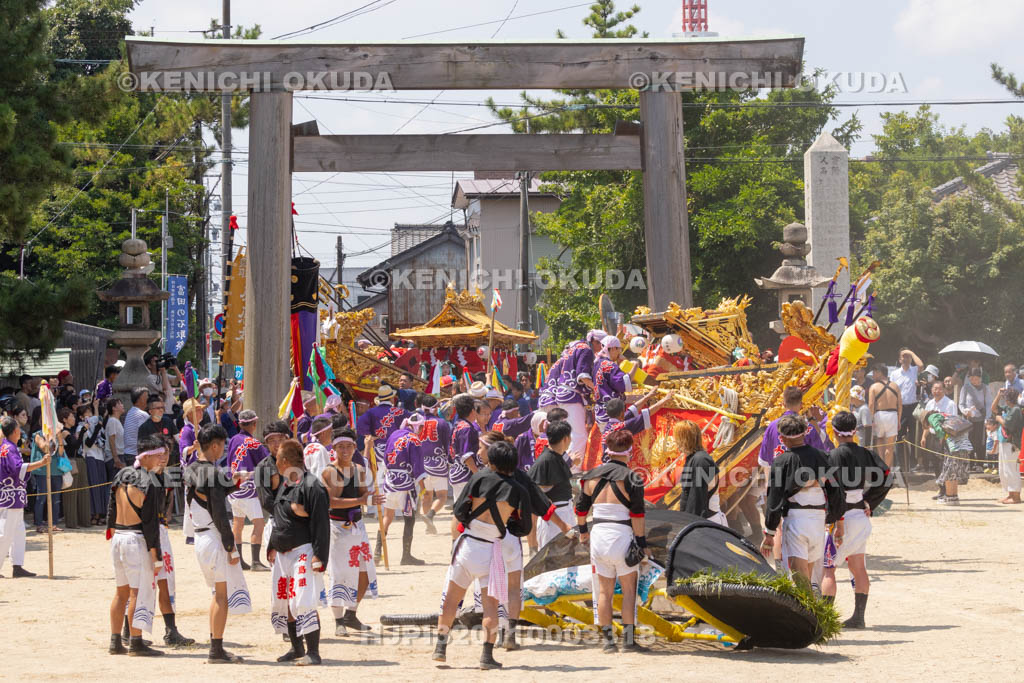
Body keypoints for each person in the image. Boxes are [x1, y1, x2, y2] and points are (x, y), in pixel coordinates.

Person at [432, 440, 529, 669]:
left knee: (451, 601)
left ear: (492, 461)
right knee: (490, 607)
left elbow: (458, 510)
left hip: (467, 546)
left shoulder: (478, 478)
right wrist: (507, 527)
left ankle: (440, 647)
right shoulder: (518, 490)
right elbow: (523, 528)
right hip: (490, 550)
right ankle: (486, 656)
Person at [574, 429, 651, 653]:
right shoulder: (633, 478)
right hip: (622, 536)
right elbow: (637, 516)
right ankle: (628, 641)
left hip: (598, 535)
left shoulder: (590, 476)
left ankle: (608, 642)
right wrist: (642, 544)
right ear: (630, 450)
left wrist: (582, 532)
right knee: (628, 590)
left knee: (604, 592)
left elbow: (580, 509)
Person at [820, 411, 893, 628]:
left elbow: (835, 491)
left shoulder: (833, 456)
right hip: (860, 515)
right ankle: (859, 617)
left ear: (834, 431)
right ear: (855, 430)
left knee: (829, 568)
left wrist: (838, 519)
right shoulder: (865, 453)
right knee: (858, 566)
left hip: (843, 518)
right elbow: (887, 476)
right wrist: (870, 501)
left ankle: (824, 619)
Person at [184, 424, 250, 663]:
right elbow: (220, 514)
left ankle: (216, 645)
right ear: (214, 445)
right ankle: (216, 650)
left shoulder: (191, 469)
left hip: (201, 537)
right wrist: (231, 547)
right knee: (222, 596)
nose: (223, 450)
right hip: (213, 536)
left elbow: (210, 494)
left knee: (216, 594)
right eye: (222, 445)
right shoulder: (211, 473)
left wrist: (233, 484)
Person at [123, 436, 196, 648]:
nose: (164, 458)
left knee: (166, 581)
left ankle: (170, 629)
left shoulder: (166, 476)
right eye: (160, 454)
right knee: (138, 584)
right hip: (145, 532)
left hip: (161, 529)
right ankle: (129, 630)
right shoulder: (139, 476)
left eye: (166, 454)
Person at [761, 414, 844, 593]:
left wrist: (769, 531)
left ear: (782, 438)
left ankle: (809, 613)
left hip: (796, 518)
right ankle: (813, 611)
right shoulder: (823, 456)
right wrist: (835, 518)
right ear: (805, 433)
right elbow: (836, 489)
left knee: (799, 575)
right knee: (808, 571)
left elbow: (774, 497)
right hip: (819, 519)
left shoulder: (781, 461)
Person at [268, 439, 330, 666]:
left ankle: (313, 652)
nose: (276, 463)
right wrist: (272, 545)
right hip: (283, 553)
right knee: (285, 601)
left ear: (284, 461)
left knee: (303, 601)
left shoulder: (312, 485)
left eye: (277, 460)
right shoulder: (286, 484)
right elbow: (279, 517)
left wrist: (319, 556)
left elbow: (322, 524)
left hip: (304, 551)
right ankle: (296, 648)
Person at [106, 440, 165, 656]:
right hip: (136, 539)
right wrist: (156, 556)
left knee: (121, 593)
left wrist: (110, 531)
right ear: (146, 456)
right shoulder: (150, 481)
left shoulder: (121, 474)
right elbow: (151, 524)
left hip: (119, 536)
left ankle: (115, 641)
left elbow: (111, 508)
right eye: (158, 455)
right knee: (135, 593)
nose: (162, 459)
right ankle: (136, 641)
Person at [322, 426, 379, 635]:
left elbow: (364, 495)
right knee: (339, 574)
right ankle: (338, 621)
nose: (345, 450)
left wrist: (372, 498)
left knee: (365, 572)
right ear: (334, 448)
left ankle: (351, 614)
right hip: (337, 528)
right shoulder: (329, 471)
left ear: (355, 447)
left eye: (348, 446)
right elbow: (332, 502)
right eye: (340, 447)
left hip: (358, 527)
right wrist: (361, 500)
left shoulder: (359, 469)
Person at [538, 331, 603, 463]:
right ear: (596, 342)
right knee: (578, 435)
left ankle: (563, 465)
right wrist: (597, 390)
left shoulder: (573, 349)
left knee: (565, 434)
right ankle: (573, 468)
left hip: (559, 396)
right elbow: (583, 376)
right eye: (602, 345)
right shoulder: (586, 350)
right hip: (570, 396)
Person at [0, 415, 52, 577]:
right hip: (10, 495)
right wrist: (40, 463)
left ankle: (17, 565)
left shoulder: (8, 447)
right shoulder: (8, 448)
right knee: (6, 533)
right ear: (15, 431)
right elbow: (16, 469)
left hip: (14, 494)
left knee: (18, 532)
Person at [223, 409, 271, 571]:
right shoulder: (254, 443)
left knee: (238, 523)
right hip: (248, 490)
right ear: (254, 424)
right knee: (259, 524)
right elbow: (267, 462)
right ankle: (256, 561)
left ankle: (241, 560)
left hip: (233, 488)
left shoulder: (233, 440)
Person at [528, 420, 576, 548]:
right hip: (555, 518)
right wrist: (560, 523)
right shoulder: (545, 460)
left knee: (567, 557)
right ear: (566, 439)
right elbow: (536, 494)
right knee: (552, 562)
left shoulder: (557, 456)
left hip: (565, 512)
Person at [922, 380, 970, 505]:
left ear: (943, 390)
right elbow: (926, 423)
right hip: (932, 435)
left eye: (939, 389)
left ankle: (947, 491)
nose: (936, 391)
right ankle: (941, 489)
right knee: (936, 463)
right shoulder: (929, 403)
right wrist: (924, 436)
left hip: (945, 437)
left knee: (946, 464)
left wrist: (943, 438)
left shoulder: (950, 403)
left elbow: (952, 422)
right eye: (934, 388)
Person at [674, 420, 727, 525]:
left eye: (677, 439)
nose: (675, 443)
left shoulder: (701, 460)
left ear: (684, 440)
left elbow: (697, 498)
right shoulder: (695, 458)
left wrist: (688, 523)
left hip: (706, 521)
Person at [413, 393, 451, 532]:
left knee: (427, 495)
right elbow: (447, 444)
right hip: (437, 463)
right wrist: (448, 460)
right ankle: (430, 515)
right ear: (435, 408)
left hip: (421, 464)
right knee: (441, 496)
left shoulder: (416, 422)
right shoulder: (442, 423)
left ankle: (429, 526)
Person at [356, 384, 410, 475]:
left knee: (380, 478)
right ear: (392, 399)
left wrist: (371, 436)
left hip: (377, 452)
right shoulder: (400, 412)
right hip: (396, 450)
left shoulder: (370, 412)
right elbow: (414, 421)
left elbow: (360, 427)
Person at [592, 336, 639, 428]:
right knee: (613, 441)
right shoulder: (610, 365)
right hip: (611, 413)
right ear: (613, 348)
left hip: (601, 411)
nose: (619, 353)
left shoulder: (598, 363)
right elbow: (623, 384)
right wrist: (635, 366)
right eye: (619, 350)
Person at [889, 349, 923, 464]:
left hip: (913, 406)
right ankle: (900, 462)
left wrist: (911, 352)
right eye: (904, 356)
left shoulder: (913, 370)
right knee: (899, 435)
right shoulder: (894, 373)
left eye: (908, 357)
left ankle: (913, 461)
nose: (906, 358)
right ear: (900, 359)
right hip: (900, 407)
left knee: (914, 434)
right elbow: (892, 390)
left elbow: (921, 365)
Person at [991, 388, 1023, 504]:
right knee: (1004, 470)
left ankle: (1016, 496)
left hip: (1012, 443)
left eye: (1005, 397)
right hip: (1004, 442)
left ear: (1009, 398)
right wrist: (998, 395)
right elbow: (993, 408)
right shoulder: (1008, 408)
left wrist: (998, 418)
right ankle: (1010, 494)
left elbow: (1007, 424)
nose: (1004, 400)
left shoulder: (1016, 410)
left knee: (1011, 469)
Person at [866, 365, 901, 469]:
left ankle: (882, 470)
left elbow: (871, 405)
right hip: (893, 415)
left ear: (880, 372)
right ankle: (888, 470)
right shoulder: (895, 386)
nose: (872, 375)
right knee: (890, 447)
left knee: (880, 441)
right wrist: (898, 420)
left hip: (879, 415)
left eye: (874, 372)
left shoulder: (874, 386)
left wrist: (870, 418)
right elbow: (900, 404)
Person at [448, 394, 482, 503]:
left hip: (458, 472)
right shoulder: (466, 428)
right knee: (465, 509)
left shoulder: (458, 425)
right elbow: (466, 455)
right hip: (465, 474)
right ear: (472, 411)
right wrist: (477, 474)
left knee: (461, 508)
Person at [960, 368, 992, 471]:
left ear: (980, 378)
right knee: (968, 441)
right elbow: (961, 404)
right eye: (972, 378)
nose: (974, 380)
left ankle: (980, 464)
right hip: (968, 418)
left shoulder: (985, 388)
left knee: (981, 441)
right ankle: (970, 463)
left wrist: (987, 418)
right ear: (969, 378)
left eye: (976, 378)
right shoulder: (965, 388)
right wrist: (965, 411)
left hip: (981, 419)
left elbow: (988, 404)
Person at [123, 387, 151, 464]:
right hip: (136, 455)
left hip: (128, 453)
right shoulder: (142, 414)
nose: (148, 399)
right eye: (146, 396)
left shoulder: (131, 412)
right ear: (139, 399)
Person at [302, 415, 335, 480]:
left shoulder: (307, 448)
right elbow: (320, 477)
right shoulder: (320, 450)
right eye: (331, 431)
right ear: (323, 433)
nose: (333, 434)